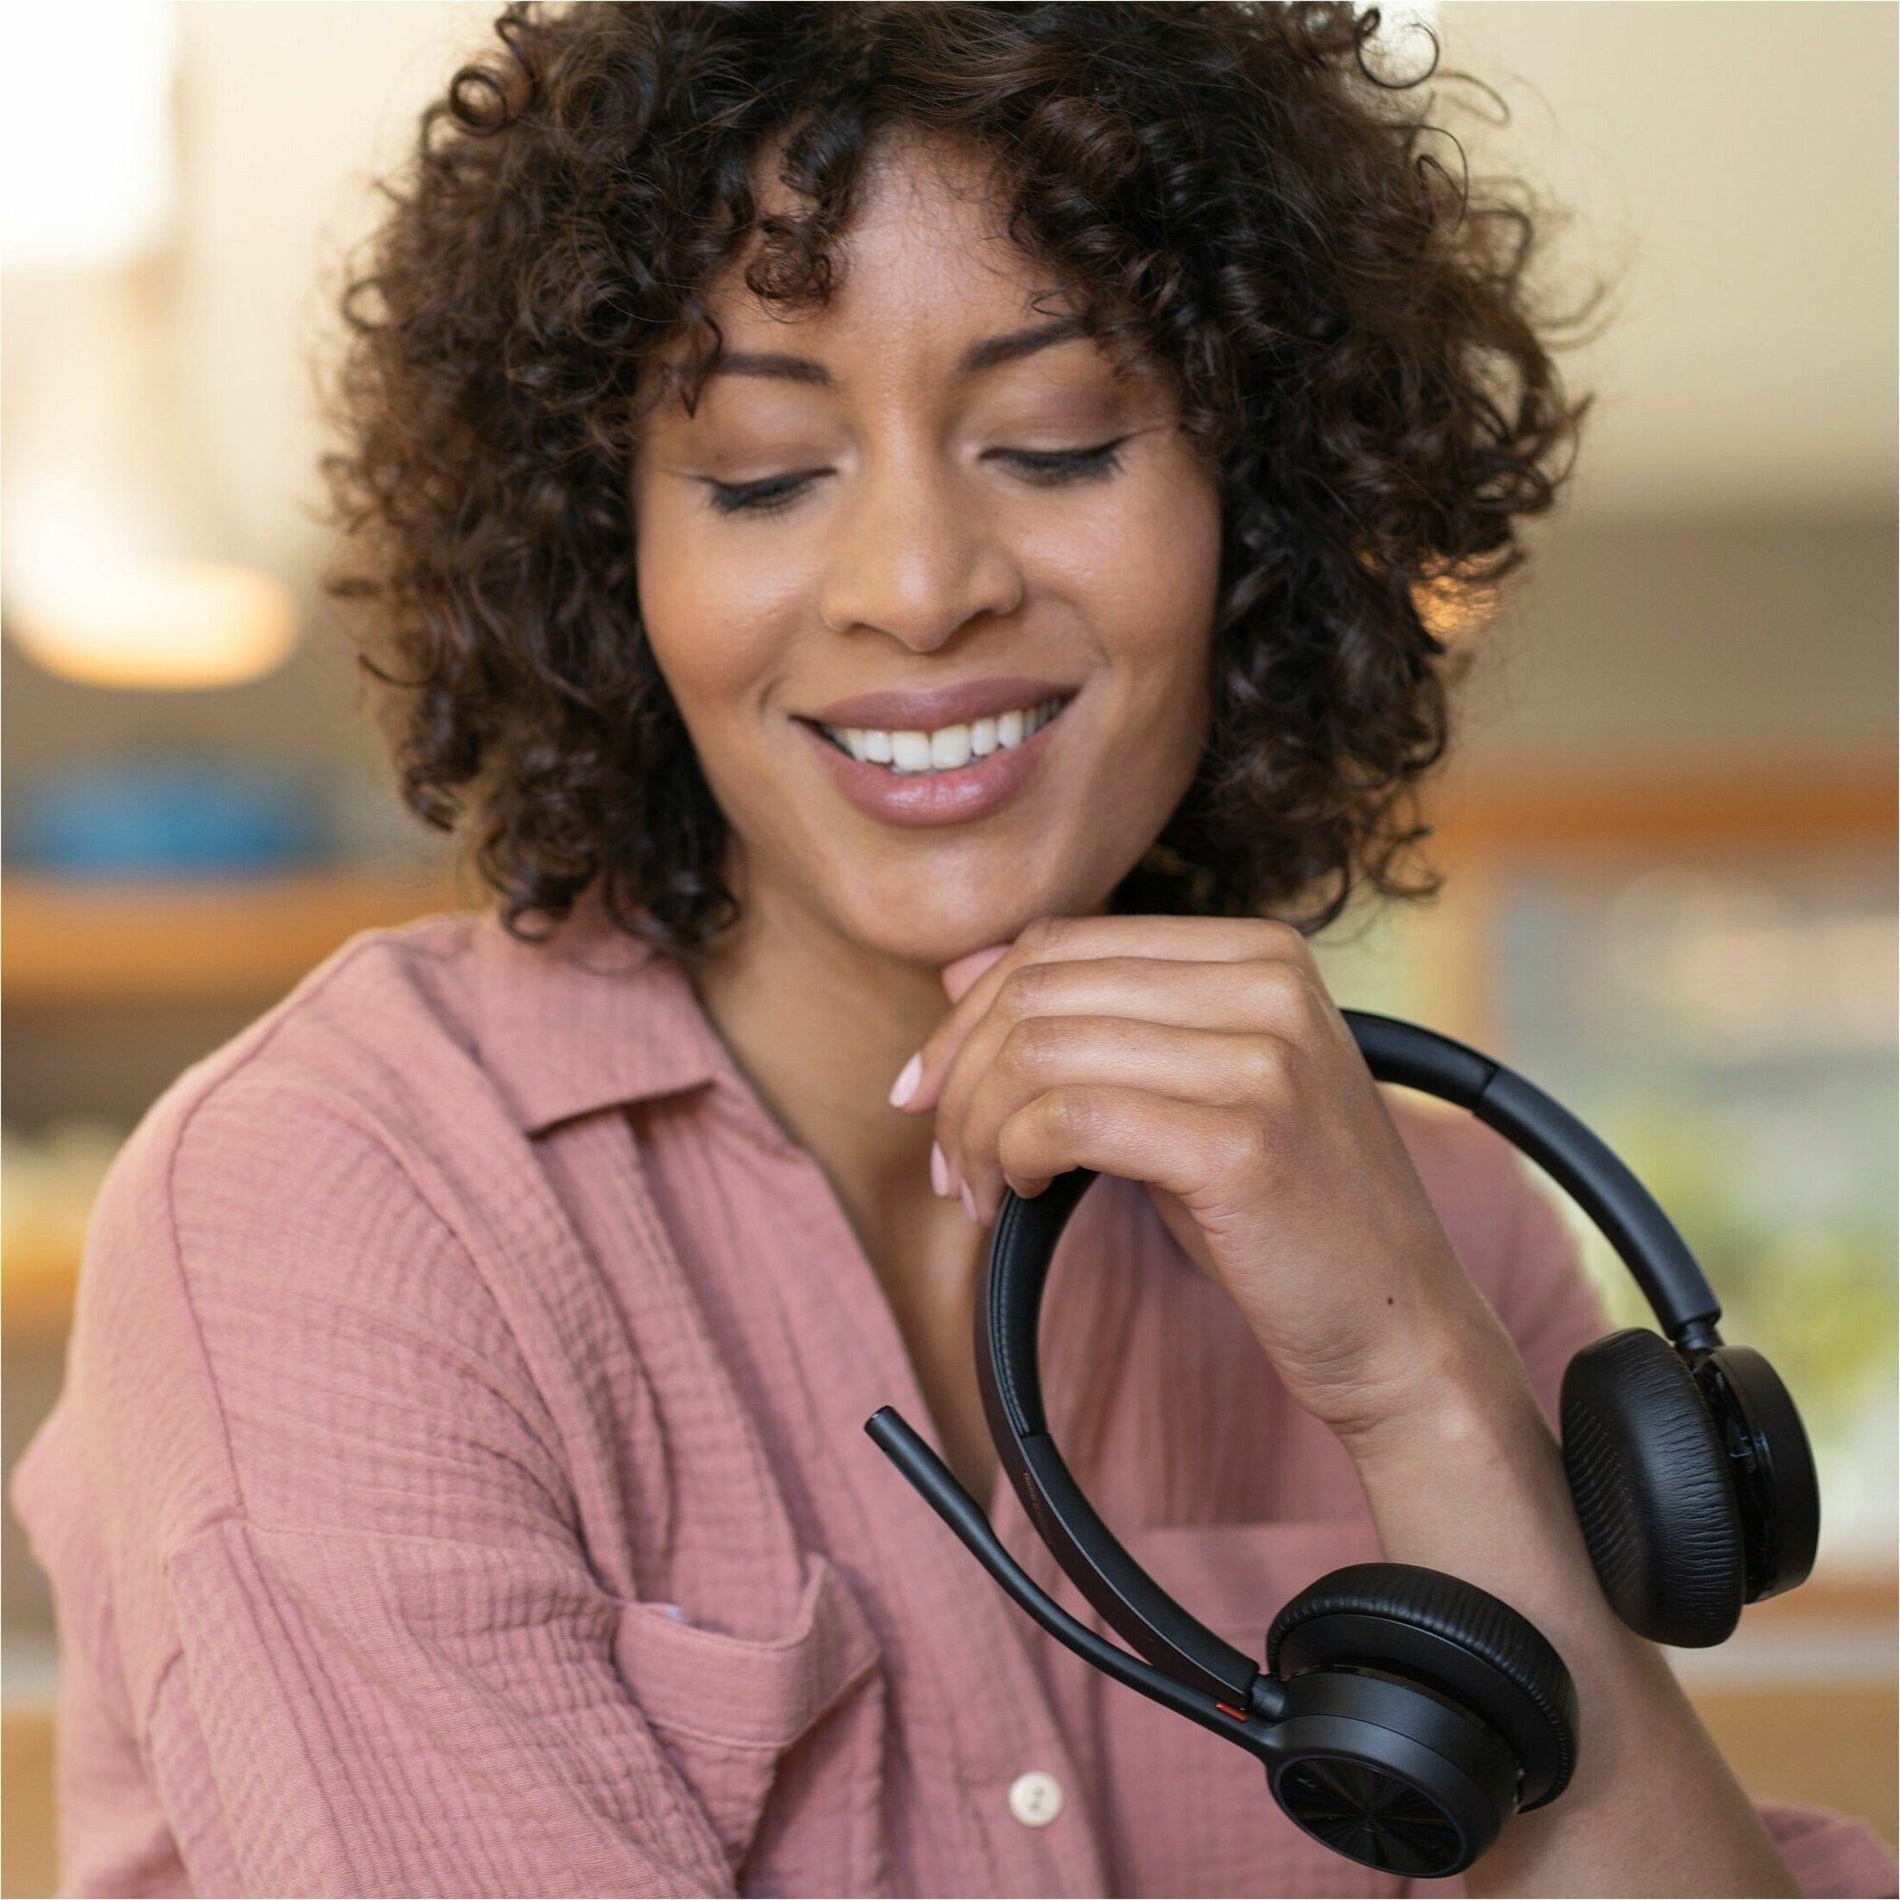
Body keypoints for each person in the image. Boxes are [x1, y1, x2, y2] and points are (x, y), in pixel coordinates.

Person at [13, 5, 1896, 1895]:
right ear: (606, 557)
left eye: (1057, 443)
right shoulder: (344, 1207)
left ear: (1264, 509)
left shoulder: (1435, 1221)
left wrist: (1415, 1382)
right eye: (760, 472)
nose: (919, 587)